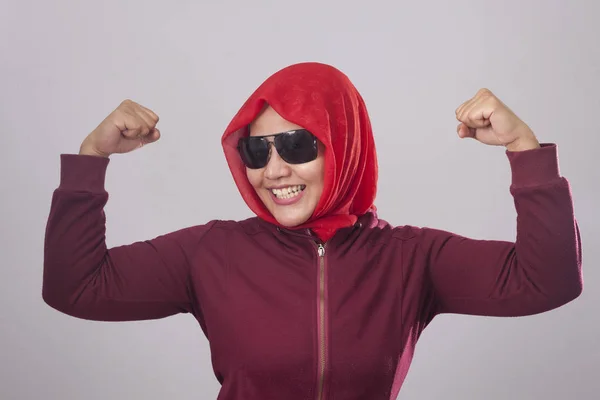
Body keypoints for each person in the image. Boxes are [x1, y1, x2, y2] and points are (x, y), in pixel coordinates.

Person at [42, 62, 583, 399]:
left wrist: (525, 151)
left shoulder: (410, 257)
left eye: (297, 145)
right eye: (256, 150)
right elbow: (76, 287)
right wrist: (92, 160)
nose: (273, 171)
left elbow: (546, 282)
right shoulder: (211, 251)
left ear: (344, 146)